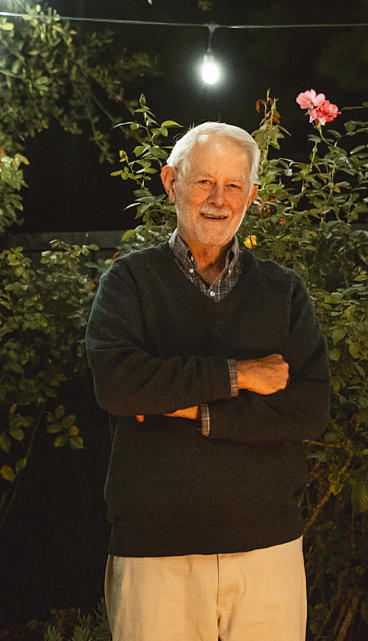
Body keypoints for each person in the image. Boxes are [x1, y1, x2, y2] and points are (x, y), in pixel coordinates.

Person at [85, 121, 330, 641]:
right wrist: (240, 374)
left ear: (253, 195)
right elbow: (119, 386)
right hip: (155, 549)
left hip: (267, 547)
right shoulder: (128, 282)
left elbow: (308, 408)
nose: (219, 199)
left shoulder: (283, 291)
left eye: (234, 185)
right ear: (171, 182)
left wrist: (191, 406)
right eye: (203, 182)